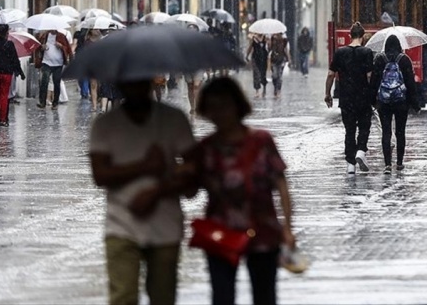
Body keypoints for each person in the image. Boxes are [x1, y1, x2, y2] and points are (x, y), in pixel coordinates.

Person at [184, 77, 295, 305]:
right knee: (222, 296)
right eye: (213, 107)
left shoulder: (262, 141)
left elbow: (281, 185)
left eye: (224, 105)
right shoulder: (204, 149)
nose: (219, 113)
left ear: (237, 105)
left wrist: (287, 228)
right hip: (220, 231)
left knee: (265, 297)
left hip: (262, 229)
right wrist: (181, 169)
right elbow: (189, 192)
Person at [89, 79, 195, 305]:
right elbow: (100, 176)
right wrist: (145, 166)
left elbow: (194, 178)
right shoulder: (105, 125)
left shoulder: (173, 120)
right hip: (121, 227)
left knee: (163, 297)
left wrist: (157, 191)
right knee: (123, 298)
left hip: (166, 228)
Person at [325, 22, 374, 174]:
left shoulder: (340, 52)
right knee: (364, 126)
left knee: (349, 130)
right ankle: (361, 151)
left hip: (346, 98)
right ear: (363, 36)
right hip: (363, 97)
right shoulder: (367, 52)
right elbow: (369, 76)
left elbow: (331, 74)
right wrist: (373, 95)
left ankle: (350, 164)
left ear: (350, 35)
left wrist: (327, 94)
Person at [370, 35, 420, 172]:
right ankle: (399, 162)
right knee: (400, 132)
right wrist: (415, 103)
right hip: (401, 101)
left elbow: (374, 81)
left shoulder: (380, 59)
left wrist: (372, 100)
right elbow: (410, 83)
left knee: (386, 132)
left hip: (384, 101)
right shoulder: (404, 60)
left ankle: (387, 164)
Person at [0, 24, 25, 127]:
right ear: (7, 32)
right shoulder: (10, 44)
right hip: (6, 73)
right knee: (4, 96)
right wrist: (20, 72)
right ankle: (3, 120)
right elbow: (15, 60)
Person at [35, 29, 72, 110]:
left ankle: (55, 103)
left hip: (58, 64)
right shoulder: (44, 36)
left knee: (56, 83)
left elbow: (68, 48)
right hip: (46, 62)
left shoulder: (61, 36)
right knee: (44, 81)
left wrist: (61, 46)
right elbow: (38, 47)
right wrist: (42, 47)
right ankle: (42, 102)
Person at [246, 34, 269, 98]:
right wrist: (247, 55)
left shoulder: (265, 38)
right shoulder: (254, 39)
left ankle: (264, 89)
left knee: (263, 75)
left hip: (263, 59)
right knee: (256, 74)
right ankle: (257, 91)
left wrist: (268, 43)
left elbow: (268, 48)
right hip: (255, 58)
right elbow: (250, 48)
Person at [269, 33, 291, 99]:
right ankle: (275, 88)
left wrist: (289, 59)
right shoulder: (273, 39)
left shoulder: (284, 41)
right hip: (274, 60)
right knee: (274, 75)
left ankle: (278, 90)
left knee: (279, 76)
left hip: (281, 60)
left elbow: (286, 50)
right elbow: (269, 48)